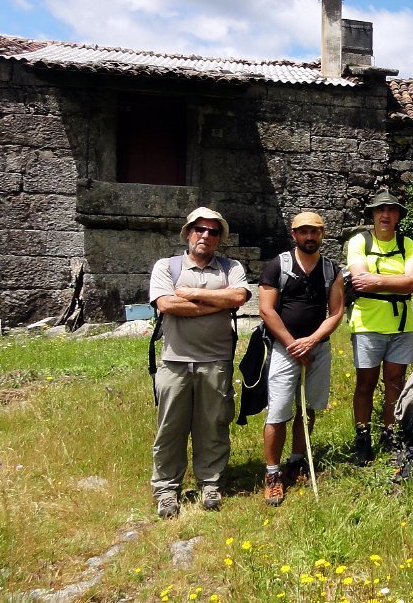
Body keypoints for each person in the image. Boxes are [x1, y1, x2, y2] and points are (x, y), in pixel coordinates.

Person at [148, 207, 250, 518]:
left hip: (216, 360)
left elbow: (238, 298)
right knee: (170, 428)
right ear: (188, 233)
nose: (205, 235)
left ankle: (211, 483)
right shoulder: (166, 266)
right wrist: (217, 302)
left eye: (213, 231)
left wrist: (192, 293)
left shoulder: (231, 267)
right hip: (174, 361)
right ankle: (167, 489)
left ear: (220, 238)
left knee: (214, 425)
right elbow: (167, 304)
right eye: (199, 229)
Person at [257, 212, 345, 507]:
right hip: (286, 348)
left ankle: (296, 461)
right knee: (278, 411)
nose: (310, 237)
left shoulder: (331, 269)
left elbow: (336, 312)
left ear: (322, 234)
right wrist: (294, 344)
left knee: (307, 408)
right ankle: (272, 474)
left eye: (315, 232)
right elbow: (266, 310)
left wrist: (312, 341)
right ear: (294, 234)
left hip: (317, 348)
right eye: (304, 232)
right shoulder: (277, 266)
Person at [346, 189, 413, 465]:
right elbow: (358, 279)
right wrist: (397, 280)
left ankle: (390, 435)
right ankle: (362, 437)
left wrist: (376, 280)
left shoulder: (409, 244)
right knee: (365, 383)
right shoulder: (359, 242)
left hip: (401, 325)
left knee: (395, 382)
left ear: (398, 215)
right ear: (373, 215)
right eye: (380, 210)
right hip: (367, 323)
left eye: (391, 210)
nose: (385, 215)